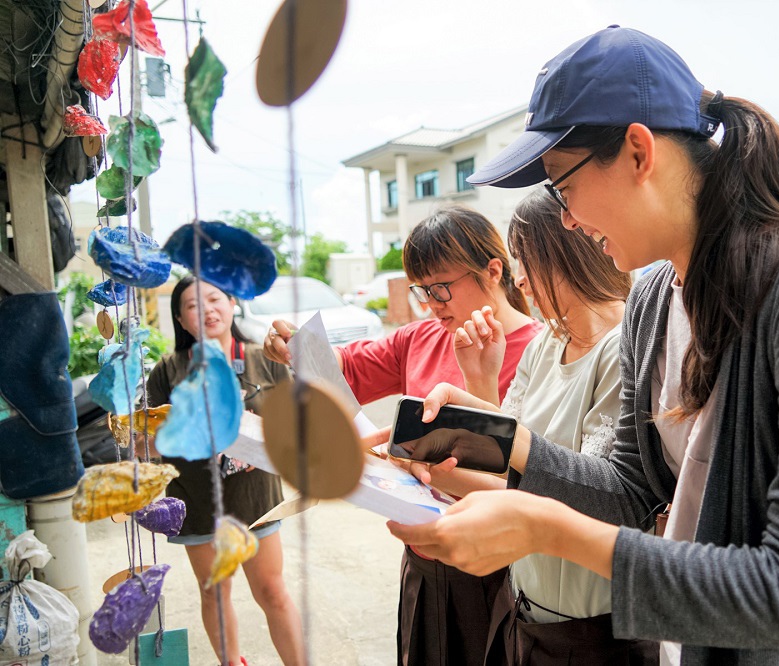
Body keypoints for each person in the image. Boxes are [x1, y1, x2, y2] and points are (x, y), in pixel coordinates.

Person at [385, 26, 779, 665]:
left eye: (561, 185)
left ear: (638, 151)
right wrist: (493, 437)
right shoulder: (655, 298)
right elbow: (632, 487)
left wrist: (545, 528)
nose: (568, 219)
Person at [263, 204, 545, 666]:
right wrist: (296, 348)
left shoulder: (540, 351)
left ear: (492, 270)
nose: (431, 304)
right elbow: (345, 369)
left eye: (440, 288)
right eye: (421, 290)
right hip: (421, 556)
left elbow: (531, 474)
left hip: (495, 565)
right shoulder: (420, 337)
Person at [422, 191, 657, 663]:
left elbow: (601, 493)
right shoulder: (545, 343)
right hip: (524, 610)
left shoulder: (623, 347)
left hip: (596, 630)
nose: (521, 279)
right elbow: (503, 476)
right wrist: (426, 469)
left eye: (529, 260)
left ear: (571, 249)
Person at [146, 276, 304, 666]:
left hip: (256, 498)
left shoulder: (265, 359)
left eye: (215, 299)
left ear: (232, 303)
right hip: (195, 499)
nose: (208, 310)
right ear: (181, 320)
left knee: (272, 591)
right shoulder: (167, 372)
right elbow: (146, 446)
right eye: (193, 305)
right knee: (214, 591)